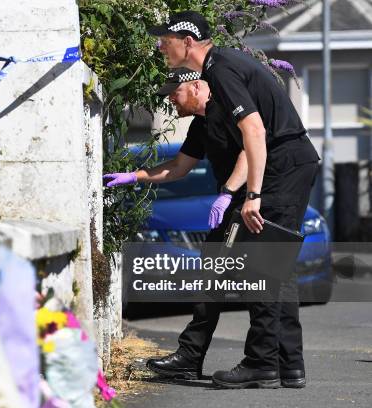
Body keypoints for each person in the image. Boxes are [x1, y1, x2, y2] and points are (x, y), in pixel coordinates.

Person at [146, 10, 320, 389]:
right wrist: (135, 175)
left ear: (187, 42)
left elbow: (254, 132)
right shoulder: (220, 66)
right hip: (290, 161)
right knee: (275, 266)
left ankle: (261, 364)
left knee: (262, 263)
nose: (161, 46)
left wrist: (251, 195)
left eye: (166, 40)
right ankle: (287, 365)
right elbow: (183, 163)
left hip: (284, 163)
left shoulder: (220, 68)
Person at [104, 68, 248, 380]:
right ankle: (190, 356)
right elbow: (178, 168)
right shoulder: (201, 125)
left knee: (267, 283)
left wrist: (228, 193)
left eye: (174, 92)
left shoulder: (228, 110)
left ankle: (270, 361)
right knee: (211, 280)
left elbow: (251, 151)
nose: (170, 99)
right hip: (233, 205)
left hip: (255, 202)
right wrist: (134, 176)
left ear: (196, 86)